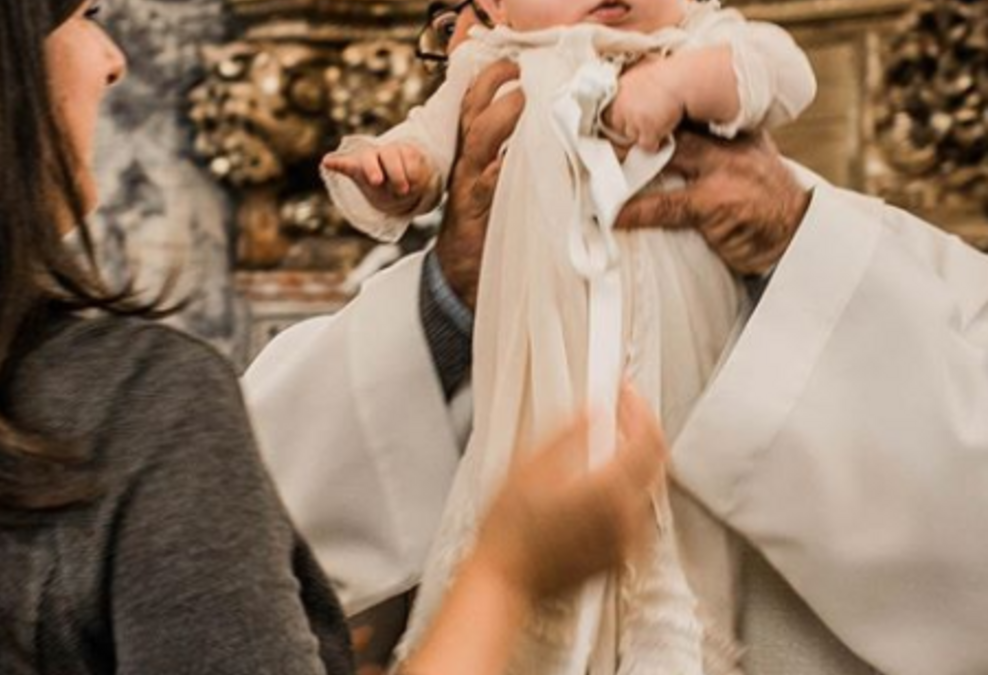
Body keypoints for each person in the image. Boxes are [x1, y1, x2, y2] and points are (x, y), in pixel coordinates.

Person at [0, 2, 668, 674]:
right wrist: (510, 573)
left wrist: (455, 292)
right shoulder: (138, 405)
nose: (113, 60)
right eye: (84, 15)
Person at [244, 3, 988, 675]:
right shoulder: (399, 310)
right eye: (456, 26)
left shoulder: (897, 265)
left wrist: (787, 245)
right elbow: (239, 541)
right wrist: (455, 297)